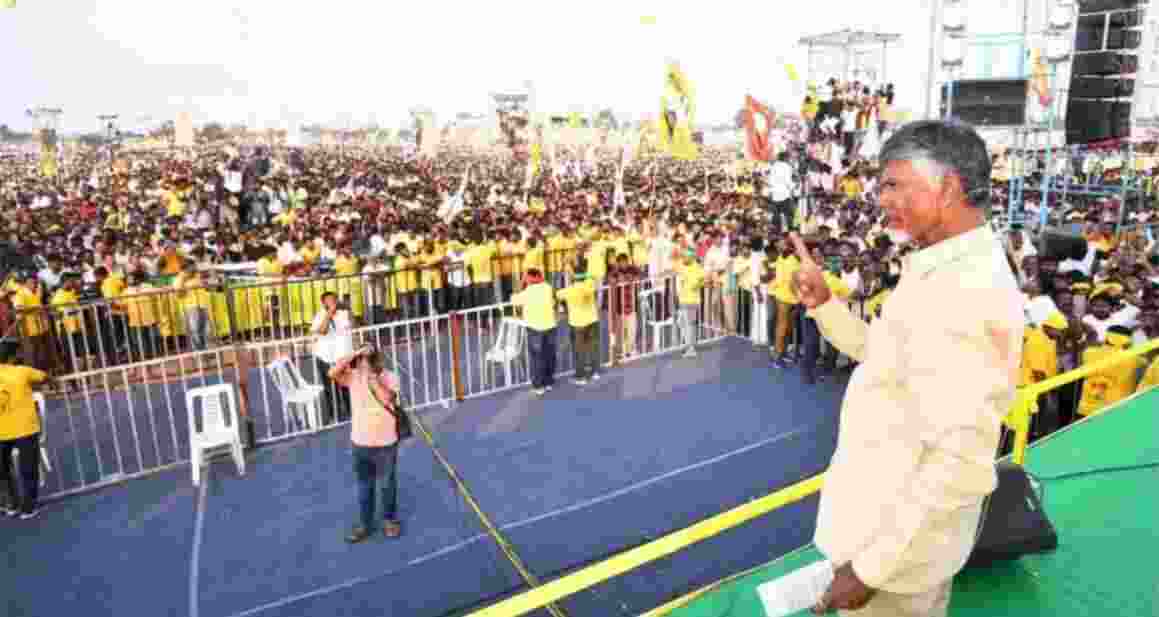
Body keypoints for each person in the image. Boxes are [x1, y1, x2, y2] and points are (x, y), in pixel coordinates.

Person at [794, 121, 1023, 617]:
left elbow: (959, 460)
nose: (882, 197)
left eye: (896, 183)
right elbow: (889, 354)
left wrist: (872, 568)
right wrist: (826, 307)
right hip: (894, 533)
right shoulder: (941, 265)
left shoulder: (964, 289)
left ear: (949, 186)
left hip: (894, 558)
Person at [329, 345, 403, 543]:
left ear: (376, 361)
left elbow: (387, 399)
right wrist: (354, 353)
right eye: (361, 360)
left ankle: (389, 520)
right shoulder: (352, 376)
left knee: (387, 484)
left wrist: (373, 378)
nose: (364, 364)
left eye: (368, 359)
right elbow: (332, 372)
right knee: (364, 486)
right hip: (360, 442)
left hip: (386, 441)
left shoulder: (390, 377)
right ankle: (365, 524)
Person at [0, 348, 50, 519]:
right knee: (28, 468)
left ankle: (11, 504)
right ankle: (28, 507)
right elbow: (45, 377)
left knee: (3, 470)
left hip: (2, 431)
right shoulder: (23, 371)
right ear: (13, 357)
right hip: (25, 428)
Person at [510, 268, 557, 396]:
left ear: (530, 278)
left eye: (525, 277)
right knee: (549, 355)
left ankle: (538, 385)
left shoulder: (528, 292)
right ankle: (548, 382)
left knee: (537, 358)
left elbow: (514, 300)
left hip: (535, 328)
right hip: (550, 326)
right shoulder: (548, 287)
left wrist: (520, 285)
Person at [311, 291, 354, 423]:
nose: (333, 302)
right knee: (331, 389)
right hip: (326, 358)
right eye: (329, 300)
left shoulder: (344, 314)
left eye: (334, 299)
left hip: (344, 356)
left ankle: (352, 412)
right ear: (323, 303)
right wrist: (329, 314)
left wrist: (348, 308)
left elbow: (353, 325)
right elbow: (322, 331)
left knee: (348, 386)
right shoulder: (320, 316)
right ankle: (334, 416)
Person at [557, 258, 600, 384]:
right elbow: (593, 279)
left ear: (574, 277)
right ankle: (595, 372)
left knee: (579, 351)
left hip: (578, 324)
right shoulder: (590, 285)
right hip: (592, 320)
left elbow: (558, 294)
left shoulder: (569, 290)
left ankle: (580, 377)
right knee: (593, 347)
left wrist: (565, 275)